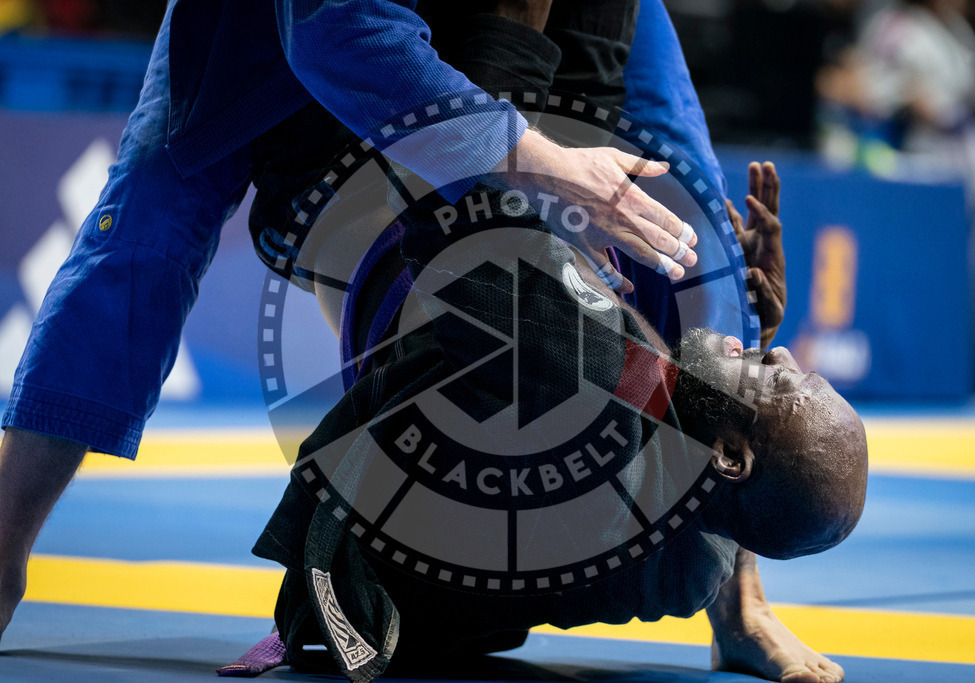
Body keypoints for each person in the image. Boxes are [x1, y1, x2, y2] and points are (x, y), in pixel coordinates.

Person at [0, 0, 707, 643]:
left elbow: (665, 142)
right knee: (153, 211)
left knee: (642, 224)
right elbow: (341, 33)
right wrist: (537, 163)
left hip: (473, 89)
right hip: (306, 47)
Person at [225, 148, 865, 682]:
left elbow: (442, 163)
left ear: (727, 456)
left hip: (325, 188)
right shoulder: (692, 568)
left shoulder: (582, 396)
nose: (783, 354)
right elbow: (731, 485)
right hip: (425, 607)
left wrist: (554, 168)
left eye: (782, 380)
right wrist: (746, 334)